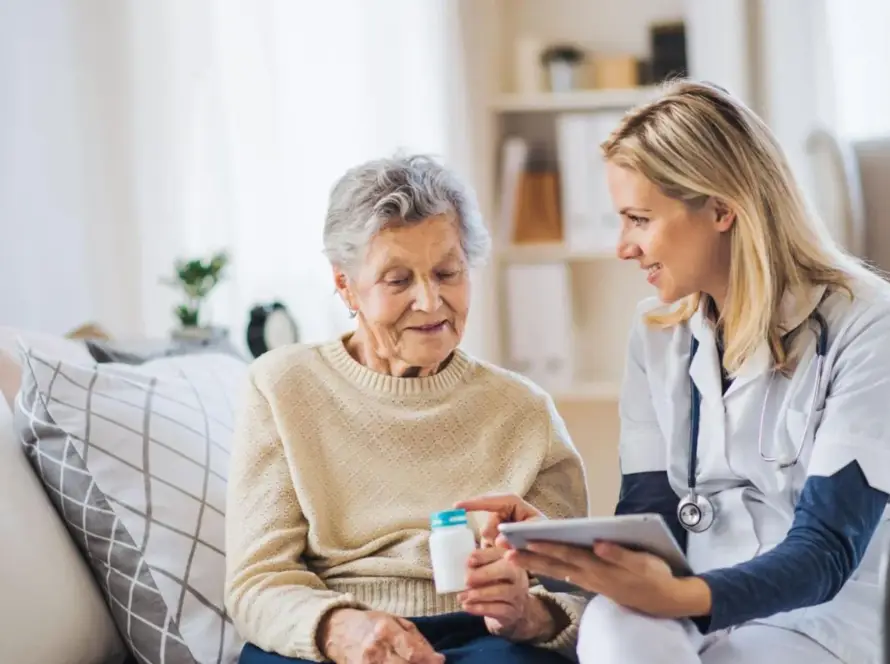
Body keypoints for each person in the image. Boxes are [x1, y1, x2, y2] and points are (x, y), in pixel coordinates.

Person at [458, 79, 890, 664]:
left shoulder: (867, 324)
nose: (623, 247)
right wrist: (563, 549)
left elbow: (826, 550)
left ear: (720, 208)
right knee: (610, 628)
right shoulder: (656, 332)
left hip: (809, 622)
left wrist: (682, 596)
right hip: (679, 613)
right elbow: (655, 521)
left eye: (639, 218)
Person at [223, 154, 590, 664]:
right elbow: (258, 582)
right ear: (345, 285)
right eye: (398, 281)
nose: (430, 301)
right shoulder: (283, 387)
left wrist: (528, 612)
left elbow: (578, 593)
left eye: (447, 272)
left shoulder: (523, 410)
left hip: (484, 636)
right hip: (334, 631)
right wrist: (340, 630)